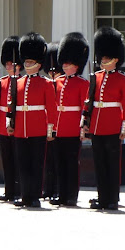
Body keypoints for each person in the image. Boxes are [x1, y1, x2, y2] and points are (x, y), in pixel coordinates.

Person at [84, 26, 125, 211]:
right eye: (102, 58)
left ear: (115, 59)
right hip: (97, 125)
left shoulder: (123, 79)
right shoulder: (96, 77)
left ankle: (112, 197)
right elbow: (89, 102)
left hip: (113, 125)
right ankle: (102, 196)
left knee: (113, 165)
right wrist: (86, 123)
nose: (103, 61)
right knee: (100, 164)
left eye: (106, 58)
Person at [9, 32, 57, 208]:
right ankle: (25, 194)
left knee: (37, 165)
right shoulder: (19, 82)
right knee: (23, 164)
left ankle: (35, 195)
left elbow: (51, 108)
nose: (27, 65)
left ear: (38, 63)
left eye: (30, 62)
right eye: (26, 62)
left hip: (38, 129)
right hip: (21, 129)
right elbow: (12, 105)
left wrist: (51, 130)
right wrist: (10, 123)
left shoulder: (45, 83)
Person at [51, 32, 90, 207]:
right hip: (58, 129)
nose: (65, 65)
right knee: (59, 164)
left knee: (72, 164)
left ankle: (71, 196)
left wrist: (84, 129)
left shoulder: (83, 84)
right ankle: (61, 193)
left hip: (73, 129)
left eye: (69, 62)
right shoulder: (57, 82)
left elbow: (85, 109)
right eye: (64, 62)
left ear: (77, 64)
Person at [0, 36, 22, 202]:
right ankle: (9, 190)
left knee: (18, 159)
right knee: (6, 160)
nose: (8, 67)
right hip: (3, 125)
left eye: (11, 64)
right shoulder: (1, 82)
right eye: (6, 64)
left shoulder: (22, 82)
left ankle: (19, 189)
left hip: (18, 124)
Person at [42, 42, 63, 201]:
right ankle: (48, 188)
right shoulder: (48, 83)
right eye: (50, 70)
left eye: (55, 70)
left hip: (60, 126)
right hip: (46, 124)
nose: (52, 73)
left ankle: (57, 189)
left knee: (57, 160)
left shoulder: (62, 84)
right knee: (47, 159)